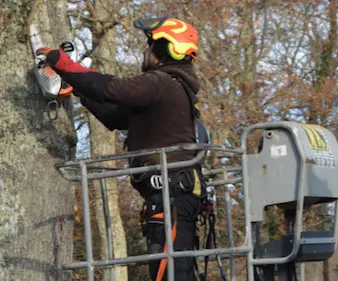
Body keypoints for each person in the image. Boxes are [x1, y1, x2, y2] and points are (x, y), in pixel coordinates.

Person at [37, 16, 210, 281]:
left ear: (165, 48)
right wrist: (78, 91)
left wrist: (62, 63)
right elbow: (117, 117)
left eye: (149, 45)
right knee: (173, 272)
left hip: (171, 194)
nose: (145, 51)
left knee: (171, 274)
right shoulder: (172, 89)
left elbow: (111, 88)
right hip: (170, 192)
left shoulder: (160, 82)